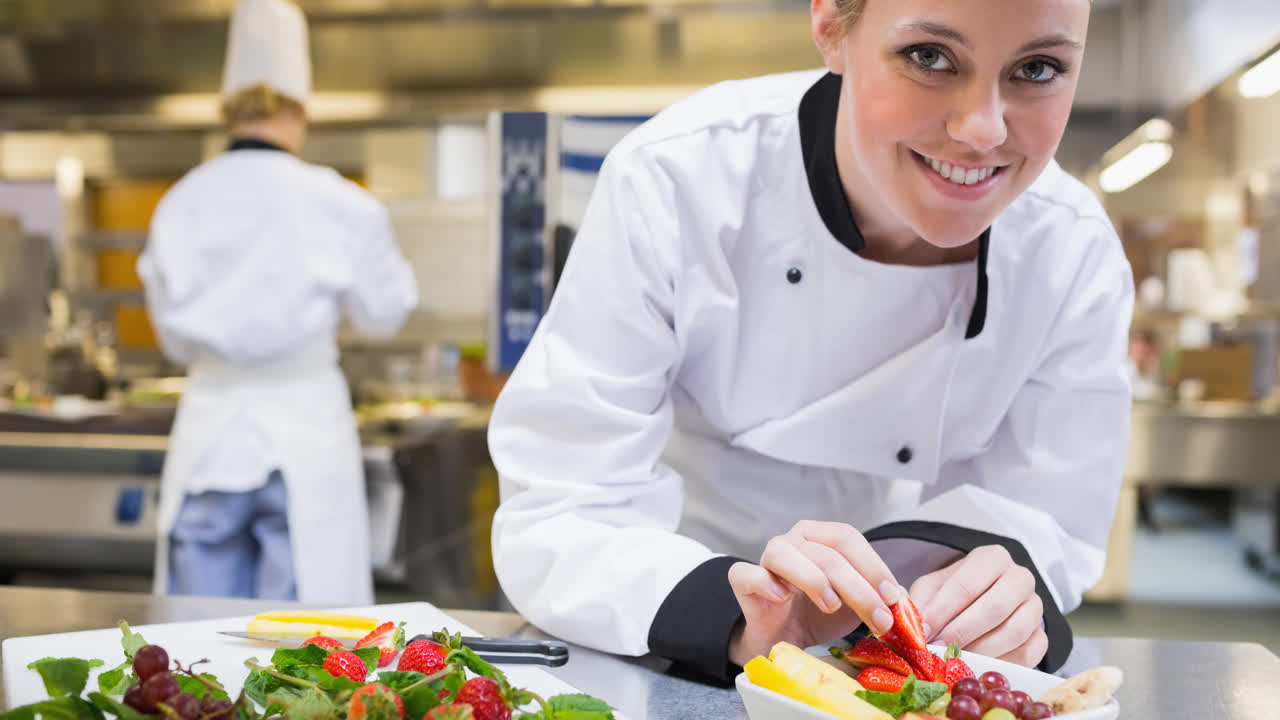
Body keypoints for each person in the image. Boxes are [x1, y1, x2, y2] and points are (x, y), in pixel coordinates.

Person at [487, 0, 1133, 685]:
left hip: (908, 654)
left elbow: (1050, 516)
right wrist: (735, 612)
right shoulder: (680, 179)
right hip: (661, 632)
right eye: (929, 57)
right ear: (831, 26)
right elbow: (563, 503)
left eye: (1038, 68)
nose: (980, 130)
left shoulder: (1071, 250)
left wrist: (996, 595)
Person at [138, 0, 418, 604]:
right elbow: (385, 314)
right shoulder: (341, 203)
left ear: (228, 110)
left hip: (209, 432)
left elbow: (170, 339)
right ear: (300, 108)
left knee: (196, 648)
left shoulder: (179, 203)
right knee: (299, 654)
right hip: (305, 431)